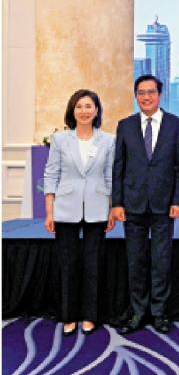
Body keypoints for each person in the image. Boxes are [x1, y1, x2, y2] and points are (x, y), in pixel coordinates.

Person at [112, 75, 179, 334]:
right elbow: (118, 166)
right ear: (136, 96)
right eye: (141, 93)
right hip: (132, 203)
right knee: (136, 260)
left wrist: (178, 199)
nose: (146, 97)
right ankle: (137, 312)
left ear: (160, 94)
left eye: (151, 92)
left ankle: (159, 312)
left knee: (161, 260)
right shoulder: (125, 126)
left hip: (164, 204)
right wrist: (117, 202)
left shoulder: (177, 125)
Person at [43, 89, 115, 336]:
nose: (84, 111)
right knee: (67, 264)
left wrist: (111, 209)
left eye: (88, 106)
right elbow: (51, 174)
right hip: (65, 208)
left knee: (93, 264)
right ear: (72, 111)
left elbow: (110, 176)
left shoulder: (108, 140)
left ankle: (90, 316)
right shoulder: (60, 140)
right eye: (79, 106)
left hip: (97, 207)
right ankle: (68, 315)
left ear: (96, 110)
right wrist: (50, 211)